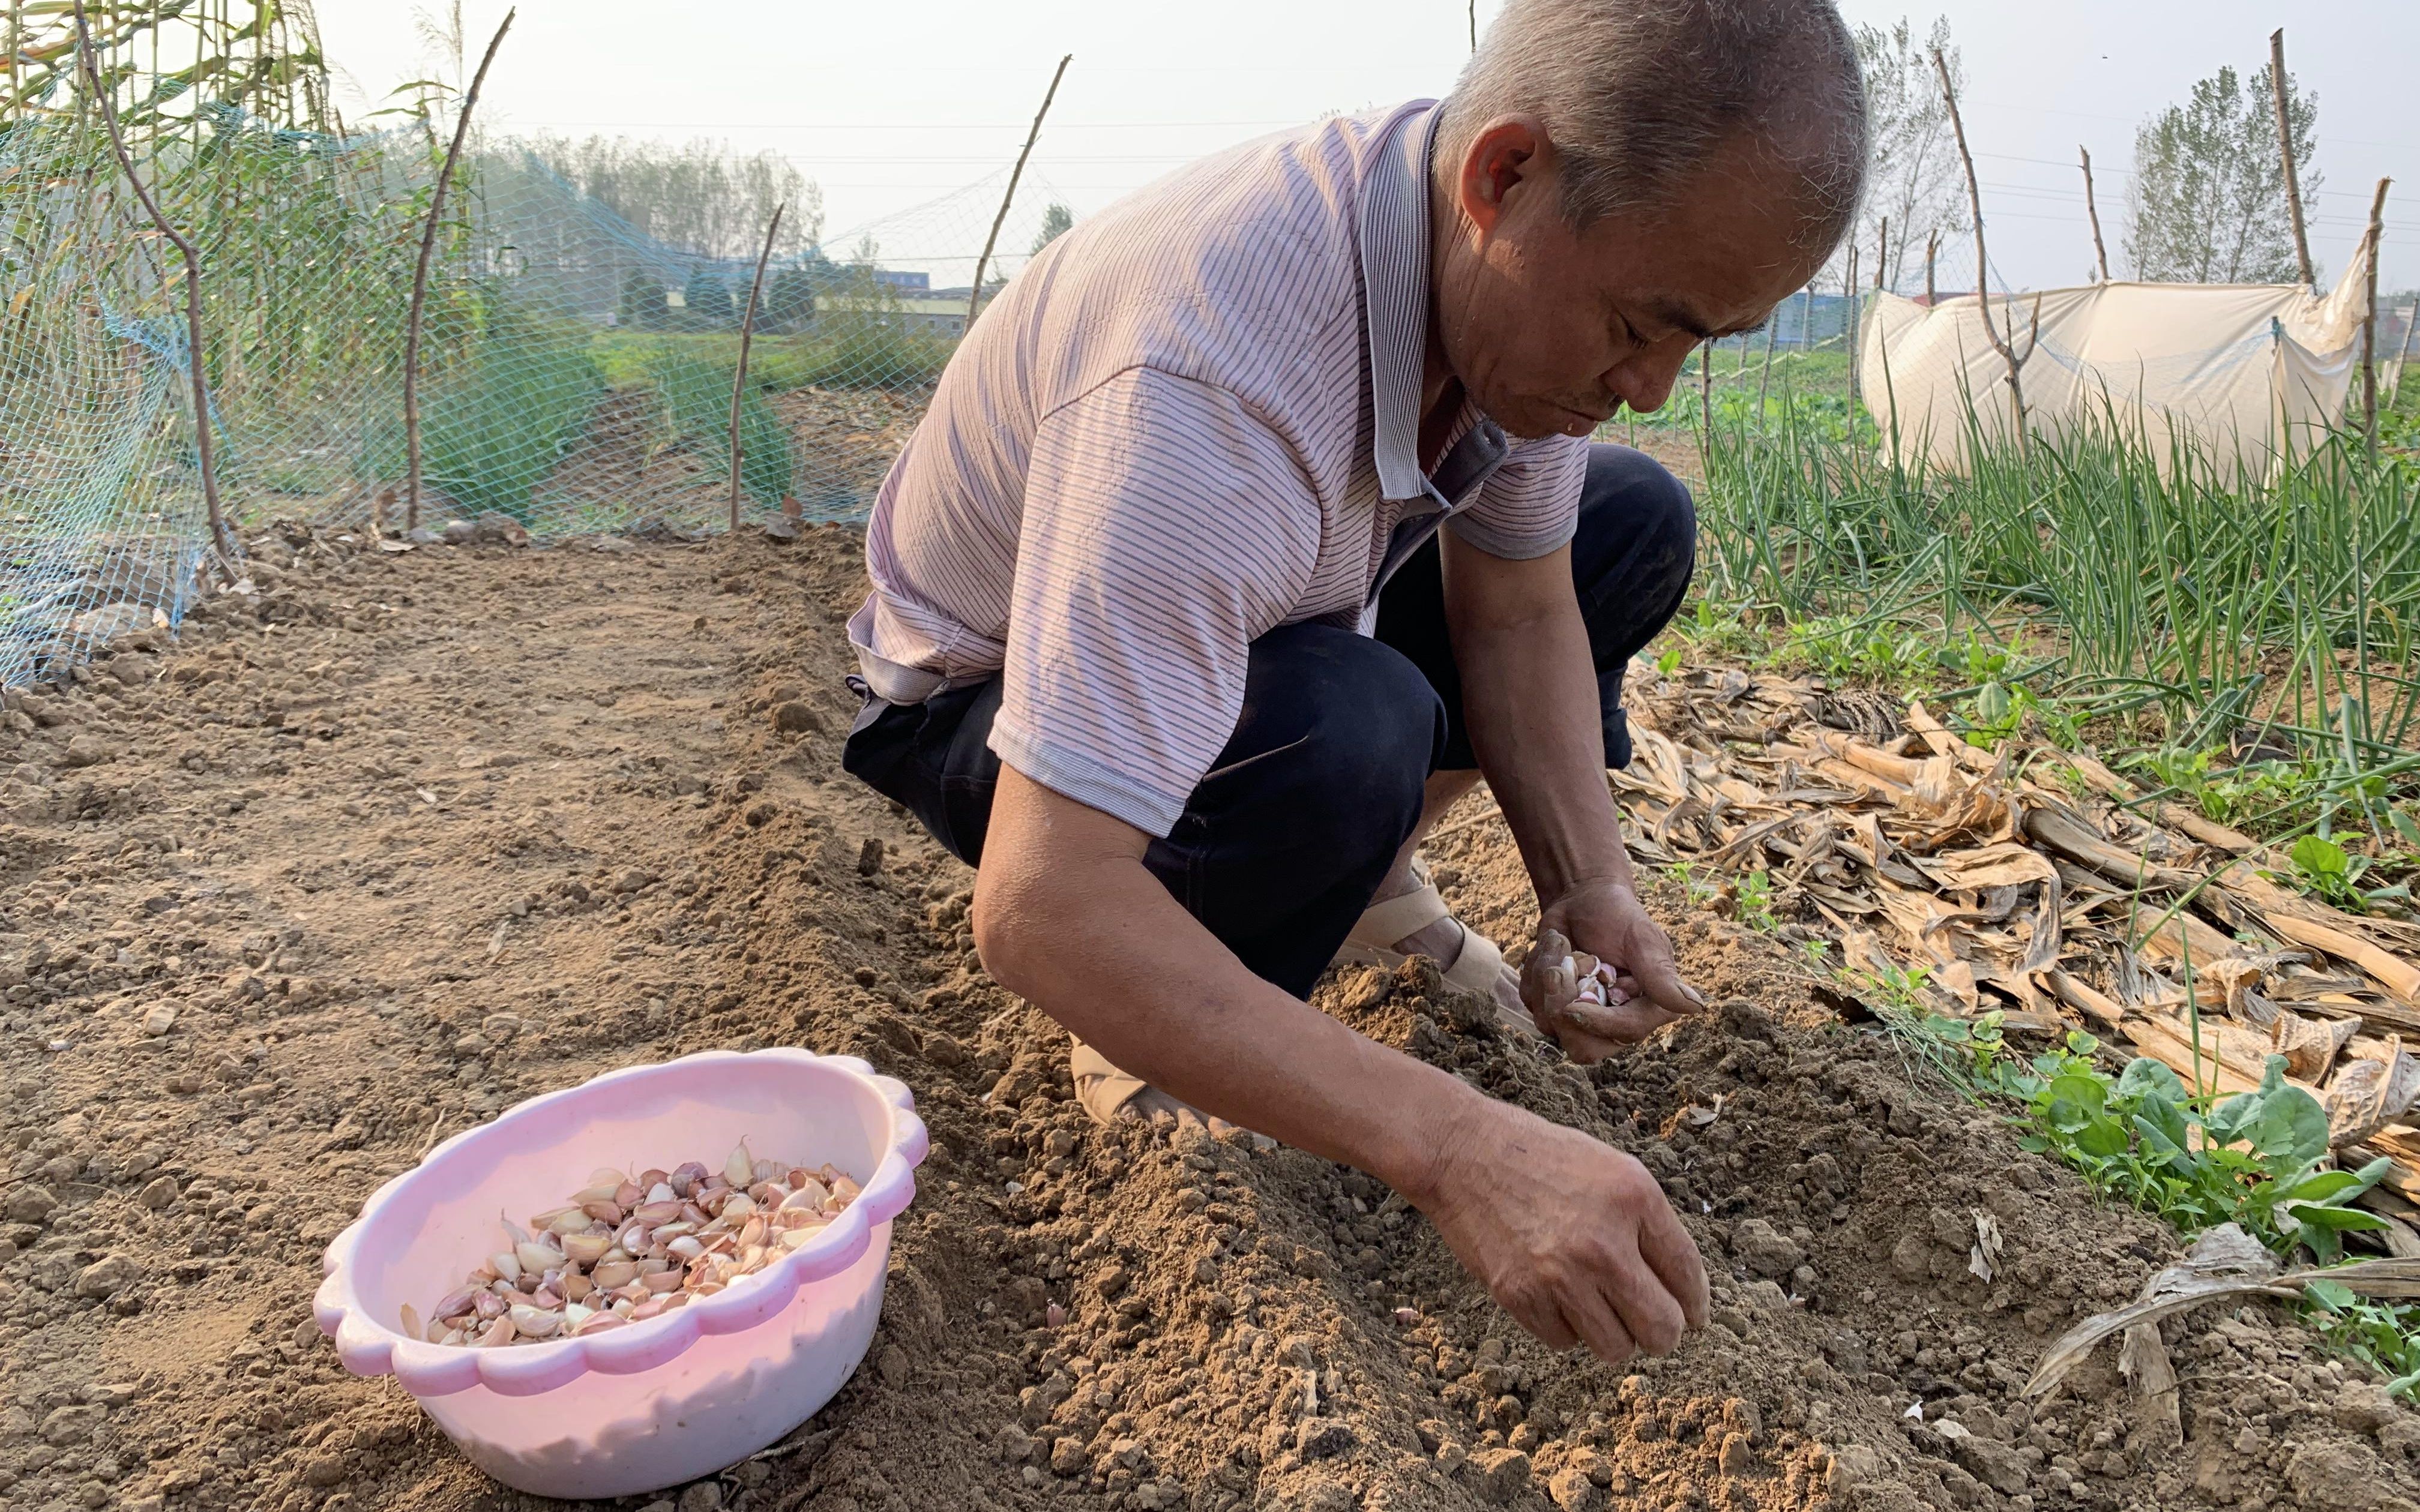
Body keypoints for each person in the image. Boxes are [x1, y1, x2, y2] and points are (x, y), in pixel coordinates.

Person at [841, 0, 1868, 1363]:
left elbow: (1513, 607)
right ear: (1503, 178)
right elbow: (1039, 906)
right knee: (1352, 727)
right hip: (986, 711)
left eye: (1700, 343)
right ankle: (1152, 1031)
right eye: (1641, 327)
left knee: (1628, 523)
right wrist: (1457, 1150)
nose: (1655, 387)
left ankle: (1367, 886)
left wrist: (1586, 889)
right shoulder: (1211, 377)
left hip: (1269, 608)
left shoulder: (1500, 283)